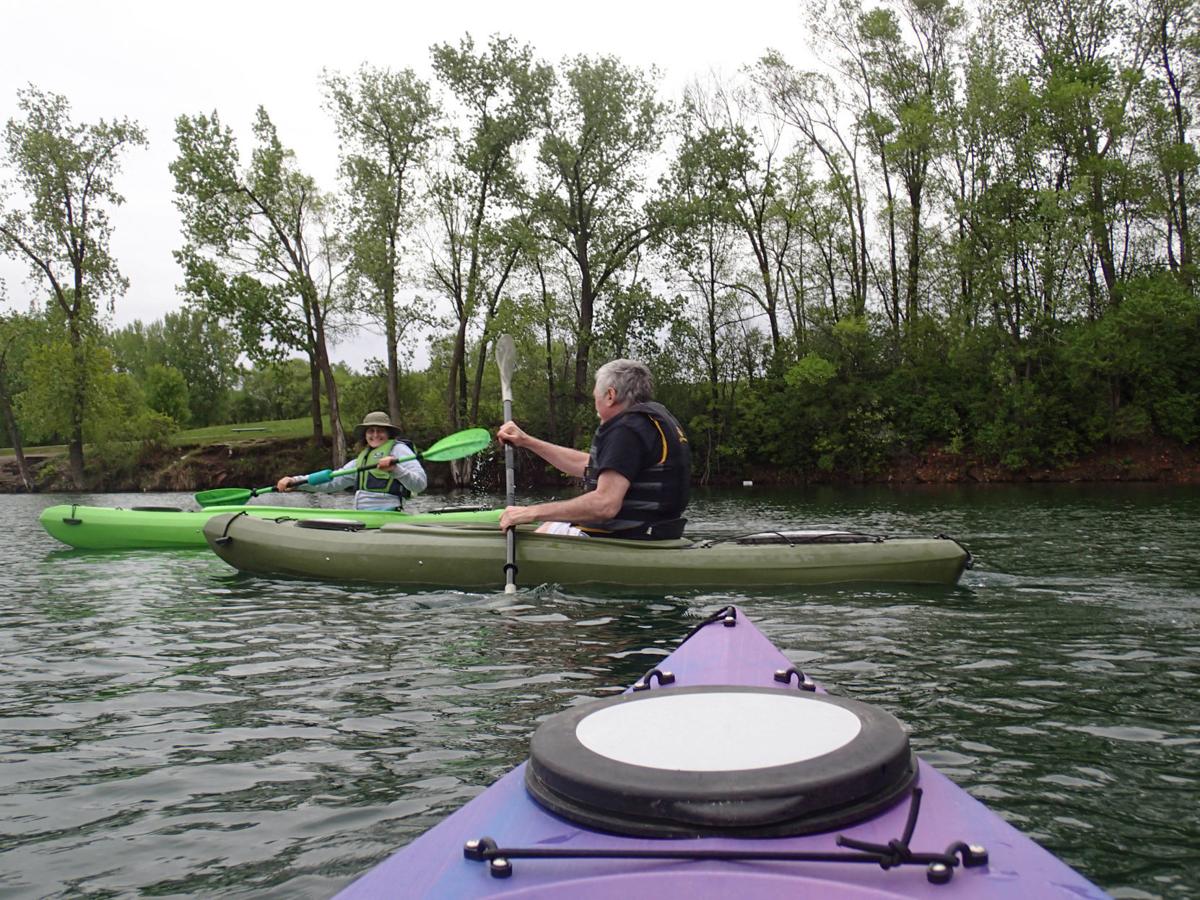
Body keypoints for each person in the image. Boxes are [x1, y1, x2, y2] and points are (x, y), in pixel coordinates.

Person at [497, 359, 690, 539]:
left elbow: (605, 505)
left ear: (610, 396)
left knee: (545, 529)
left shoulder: (627, 429)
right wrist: (527, 441)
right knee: (554, 522)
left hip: (624, 539)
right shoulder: (647, 423)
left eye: (595, 395)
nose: (594, 402)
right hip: (653, 533)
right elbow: (589, 464)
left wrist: (531, 512)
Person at [275, 411, 427, 511]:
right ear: (365, 435)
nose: (375, 435)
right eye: (371, 430)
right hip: (363, 516)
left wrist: (396, 469)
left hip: (389, 515)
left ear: (388, 434)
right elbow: (332, 481)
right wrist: (296, 482)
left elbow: (420, 484)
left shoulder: (399, 450)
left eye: (380, 430)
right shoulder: (362, 459)